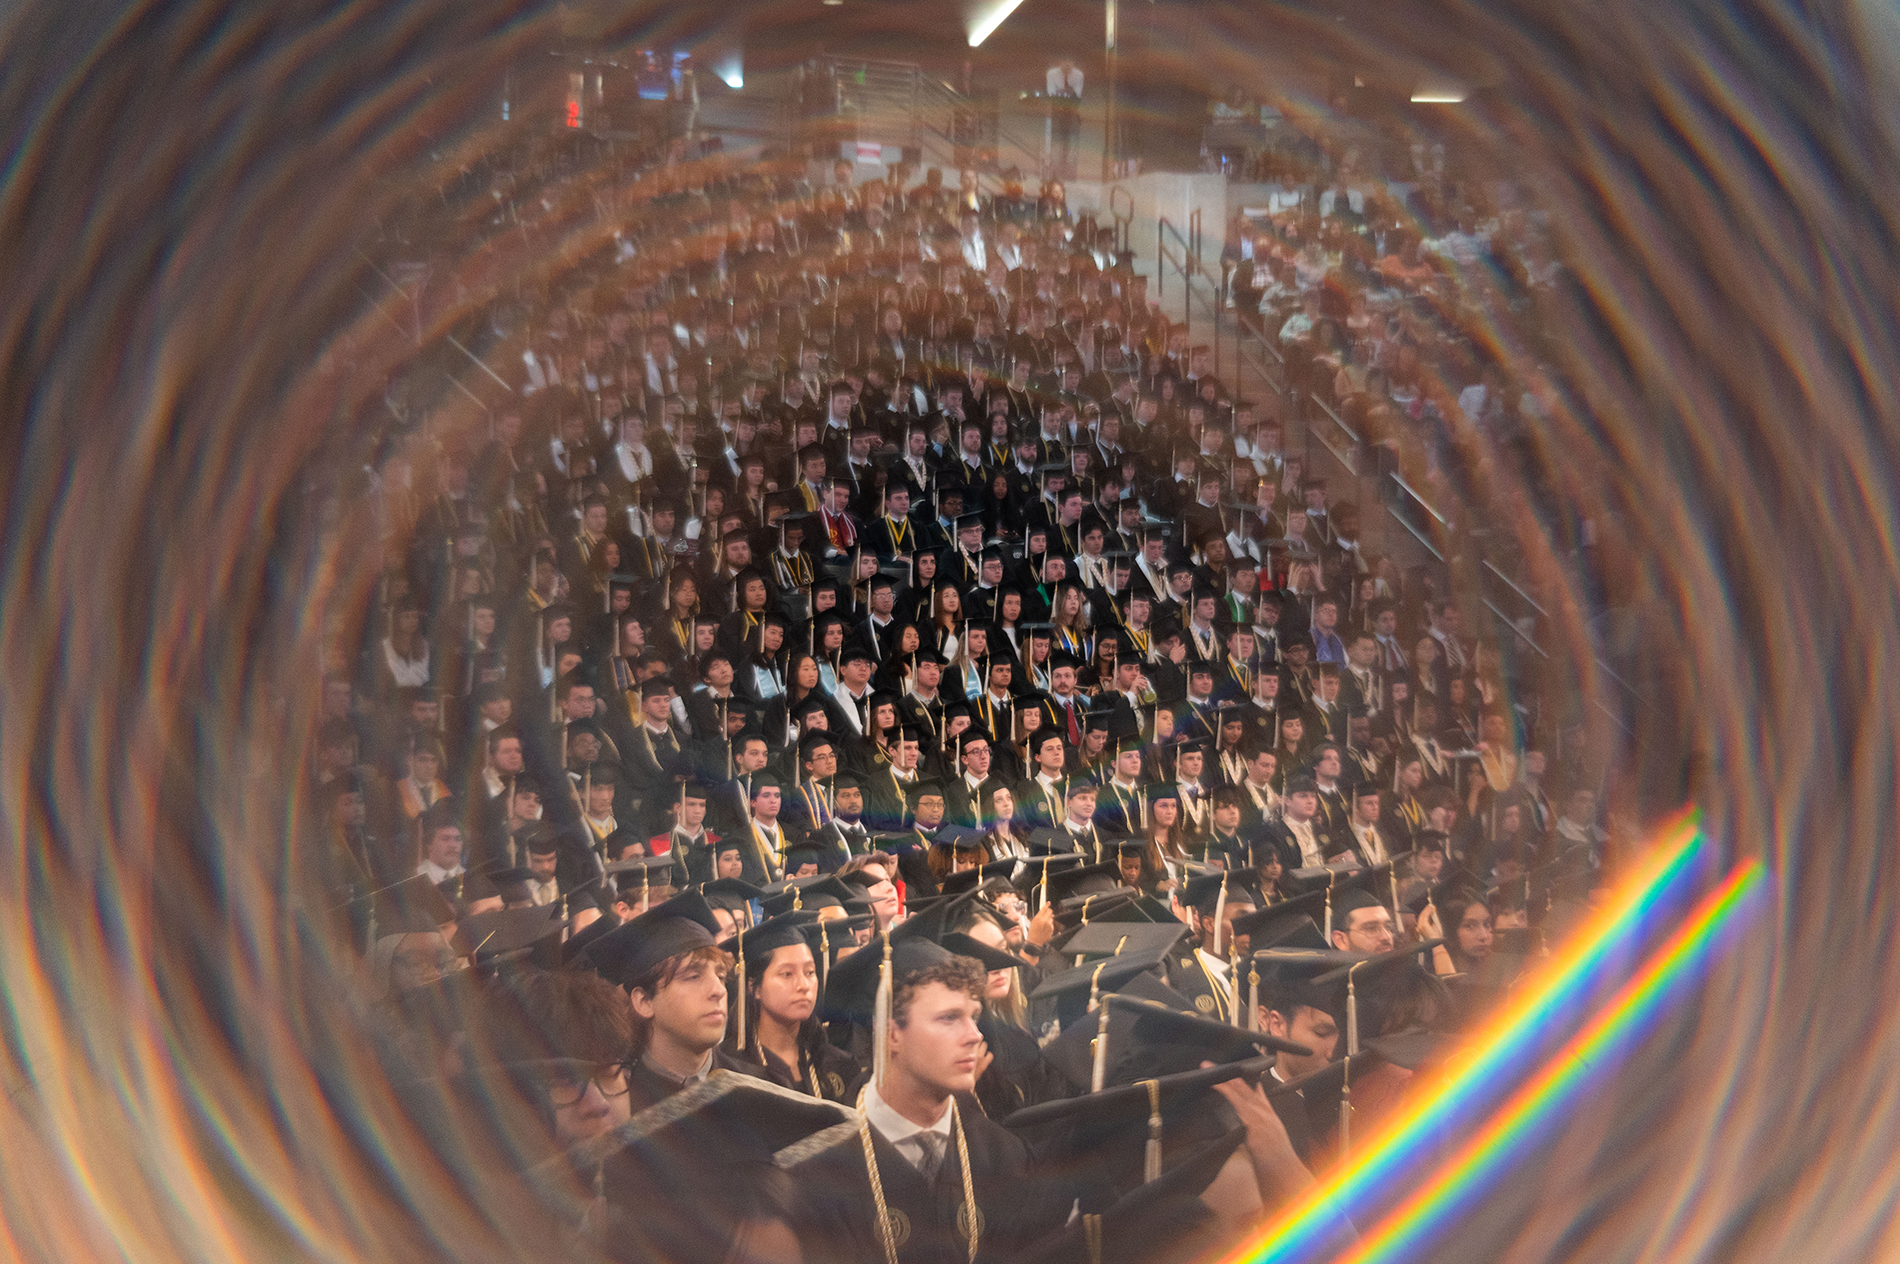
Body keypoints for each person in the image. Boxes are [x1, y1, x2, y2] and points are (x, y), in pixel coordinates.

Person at [786, 940, 1058, 1262]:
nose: (974, 1035)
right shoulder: (818, 1172)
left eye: (974, 1016)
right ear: (891, 1034)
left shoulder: (1005, 1158)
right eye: (949, 1018)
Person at [571, 891, 768, 1111]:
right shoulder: (616, 1101)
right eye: (693, 976)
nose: (718, 991)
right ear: (644, 1002)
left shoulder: (757, 1091)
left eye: (720, 976)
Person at [729, 914, 861, 1102]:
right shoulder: (730, 1067)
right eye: (787, 974)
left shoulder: (839, 1064)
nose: (803, 985)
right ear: (754, 987)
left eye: (810, 972)